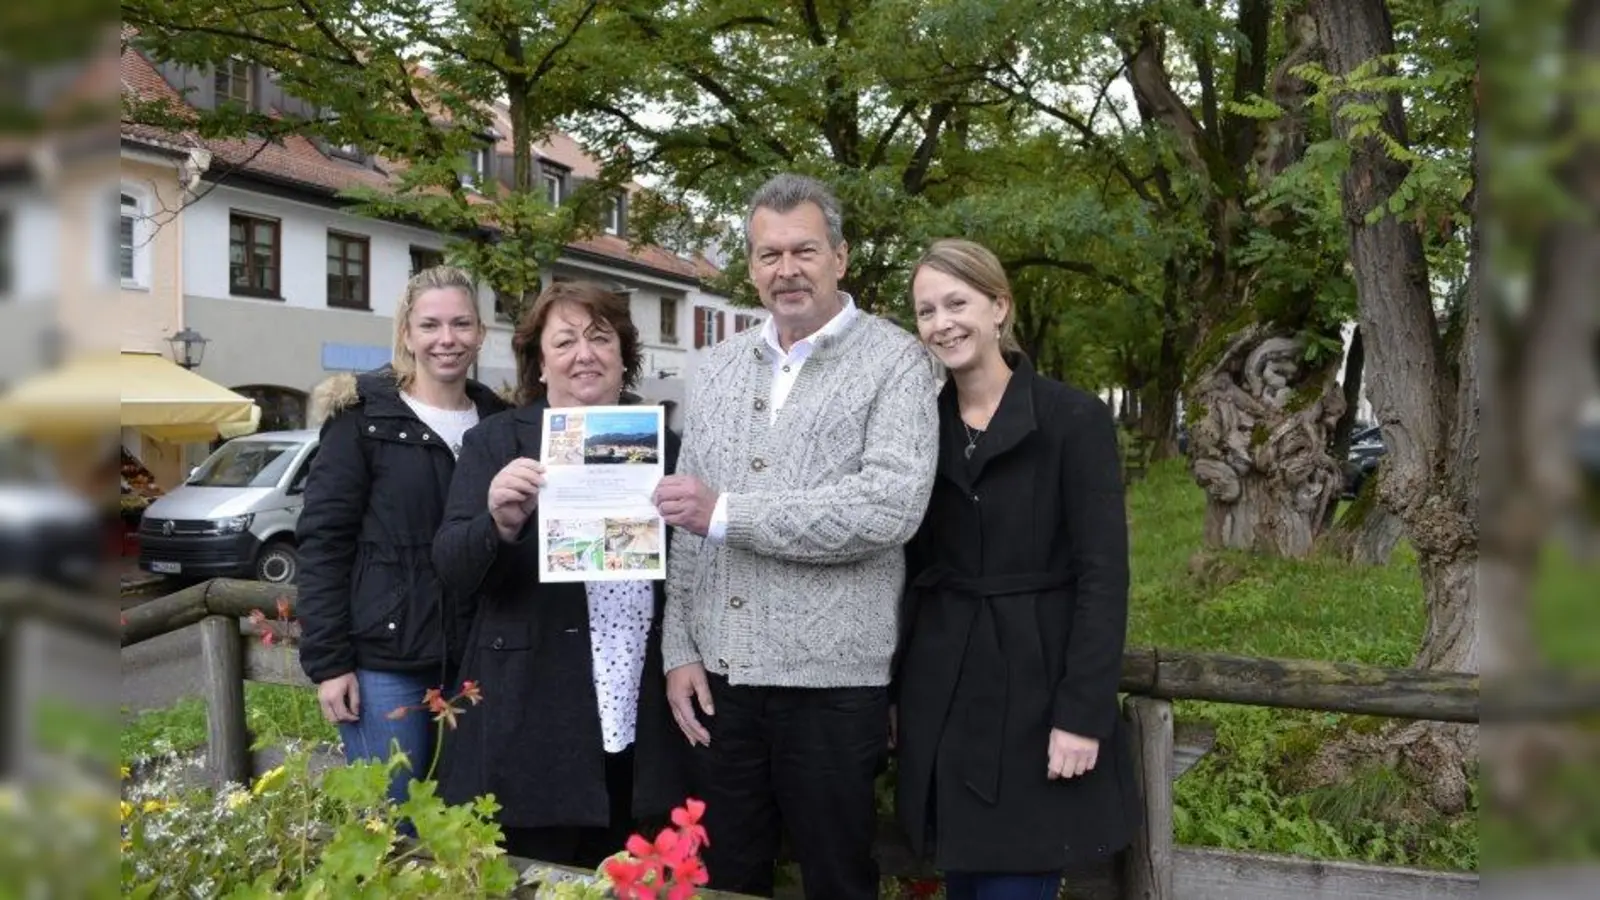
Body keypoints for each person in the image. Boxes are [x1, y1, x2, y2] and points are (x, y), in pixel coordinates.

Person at [651, 173, 939, 899]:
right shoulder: (716, 369)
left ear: (840, 257)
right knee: (724, 878)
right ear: (751, 267)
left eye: (804, 250)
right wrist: (679, 647)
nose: (787, 269)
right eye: (769, 254)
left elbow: (888, 508)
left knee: (837, 878)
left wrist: (730, 514)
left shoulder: (899, 361)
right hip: (720, 682)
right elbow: (686, 517)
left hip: (833, 684)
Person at [893, 239, 1140, 900]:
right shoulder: (917, 426)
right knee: (960, 876)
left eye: (957, 303)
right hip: (943, 684)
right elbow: (908, 564)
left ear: (999, 306)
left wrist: (1083, 713)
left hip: (1038, 687)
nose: (941, 323)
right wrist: (896, 693)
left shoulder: (1073, 418)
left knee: (1016, 877)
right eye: (925, 311)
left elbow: (1103, 577)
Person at [431, 280, 686, 868]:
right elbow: (451, 565)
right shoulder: (497, 441)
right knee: (539, 868)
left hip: (640, 693)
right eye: (565, 341)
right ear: (540, 363)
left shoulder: (662, 446)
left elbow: (691, 570)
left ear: (624, 355)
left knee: (631, 864)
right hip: (536, 703)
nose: (584, 354)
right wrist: (498, 522)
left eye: (600, 338)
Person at [296, 265, 509, 805]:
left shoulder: (500, 422)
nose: (447, 339)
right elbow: (323, 544)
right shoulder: (362, 420)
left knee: (469, 823)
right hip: (386, 663)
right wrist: (330, 664)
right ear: (407, 334)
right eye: (430, 325)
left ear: (480, 333)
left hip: (479, 658)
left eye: (461, 324)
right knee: (393, 824)